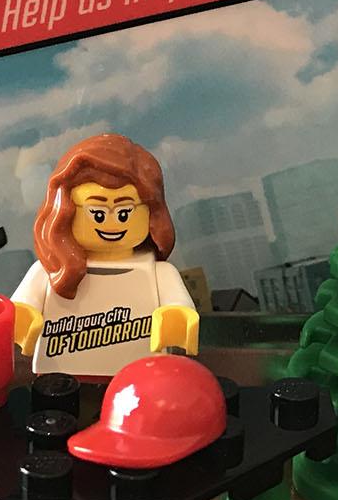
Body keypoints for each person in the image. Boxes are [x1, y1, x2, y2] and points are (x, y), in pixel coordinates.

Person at [11, 133, 198, 377]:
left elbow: (178, 303)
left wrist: (176, 316)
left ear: (150, 211)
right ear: (66, 210)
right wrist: (22, 316)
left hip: (139, 378)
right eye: (98, 213)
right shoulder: (53, 269)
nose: (111, 223)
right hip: (61, 380)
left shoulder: (159, 273)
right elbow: (23, 304)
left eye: (124, 212)